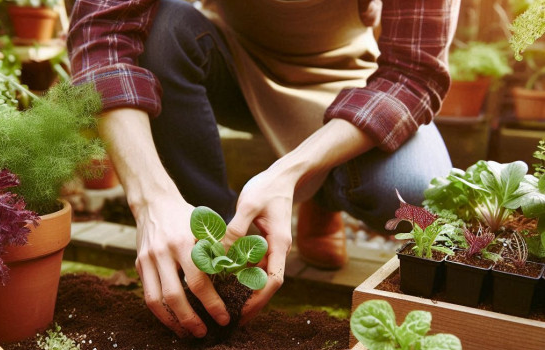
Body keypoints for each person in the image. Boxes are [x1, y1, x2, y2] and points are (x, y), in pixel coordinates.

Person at [67, 0, 460, 339]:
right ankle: (209, 251)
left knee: (416, 195)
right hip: (233, 63)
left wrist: (291, 172)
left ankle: (320, 194)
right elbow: (103, 32)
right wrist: (150, 199)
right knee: (162, 30)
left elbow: (414, 73)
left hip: (351, 82)